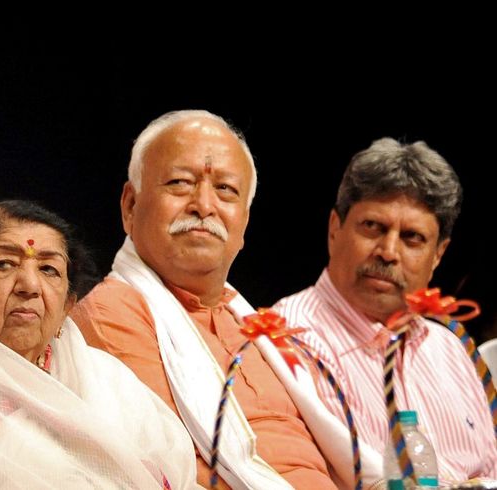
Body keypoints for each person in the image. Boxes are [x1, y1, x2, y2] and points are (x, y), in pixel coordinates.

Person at [71, 110, 361, 489]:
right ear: (130, 205)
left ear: (245, 221)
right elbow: (167, 472)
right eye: (179, 183)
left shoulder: (259, 328)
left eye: (225, 189)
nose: (204, 205)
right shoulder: (112, 313)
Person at [0, 200, 200, 489]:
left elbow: (177, 473)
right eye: (4, 264)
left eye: (49, 269)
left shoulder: (106, 376)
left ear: (67, 306)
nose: (30, 286)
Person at [273, 137, 497, 484]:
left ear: (438, 255)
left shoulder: (451, 349)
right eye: (373, 227)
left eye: (412, 237)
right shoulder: (287, 338)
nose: (388, 252)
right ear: (334, 229)